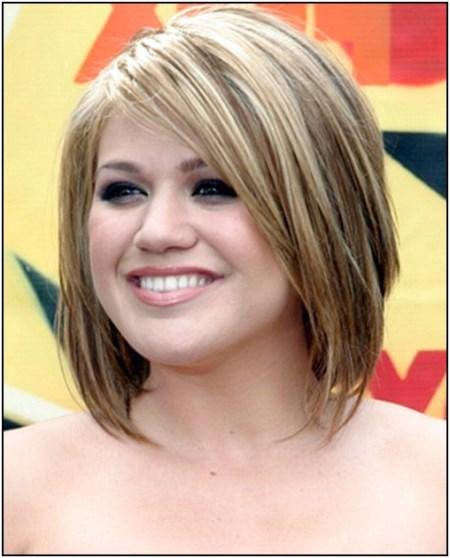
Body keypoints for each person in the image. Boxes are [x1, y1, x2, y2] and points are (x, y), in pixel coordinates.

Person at [5, 5, 445, 555]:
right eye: (123, 191)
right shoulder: (15, 491)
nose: (157, 231)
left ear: (323, 211)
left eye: (213, 187)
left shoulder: (436, 484)